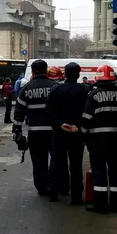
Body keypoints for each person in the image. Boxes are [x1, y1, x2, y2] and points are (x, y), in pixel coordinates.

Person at [46, 62, 89, 204]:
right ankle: (76, 196)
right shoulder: (84, 91)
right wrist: (78, 126)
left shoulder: (56, 89)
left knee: (57, 163)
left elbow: (49, 112)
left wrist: (59, 125)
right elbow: (87, 113)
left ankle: (54, 192)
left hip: (59, 132)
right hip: (76, 134)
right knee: (76, 165)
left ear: (65, 74)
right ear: (78, 74)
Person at [13, 59, 57, 196]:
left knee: (38, 161)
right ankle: (54, 186)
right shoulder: (55, 87)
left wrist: (17, 133)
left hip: (36, 133)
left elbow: (19, 114)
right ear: (46, 70)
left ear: (32, 71)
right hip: (54, 132)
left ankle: (42, 187)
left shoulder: (26, 89)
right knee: (55, 160)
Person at [81, 65, 117, 214]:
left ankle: (100, 204)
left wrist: (83, 134)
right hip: (116, 140)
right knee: (115, 171)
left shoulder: (94, 95)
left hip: (97, 141)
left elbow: (86, 118)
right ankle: (115, 204)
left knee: (99, 170)